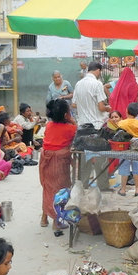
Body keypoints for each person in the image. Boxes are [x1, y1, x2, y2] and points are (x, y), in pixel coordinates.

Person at [39, 99, 77, 234]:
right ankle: (56, 222)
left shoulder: (49, 125)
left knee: (47, 188)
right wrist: (72, 120)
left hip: (45, 161)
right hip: (59, 163)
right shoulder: (70, 128)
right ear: (66, 114)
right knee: (60, 191)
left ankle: (44, 218)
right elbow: (76, 135)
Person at [73, 61, 111, 191]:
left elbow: (74, 104)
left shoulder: (78, 84)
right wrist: (108, 108)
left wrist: (87, 107)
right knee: (100, 158)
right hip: (96, 126)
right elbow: (101, 107)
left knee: (84, 159)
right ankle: (103, 186)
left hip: (82, 126)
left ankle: (83, 186)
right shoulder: (97, 84)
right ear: (98, 70)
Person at [117, 102, 138, 197]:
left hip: (124, 149)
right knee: (137, 170)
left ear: (126, 111)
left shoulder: (121, 123)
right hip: (136, 150)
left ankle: (123, 189)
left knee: (124, 169)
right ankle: (137, 189)